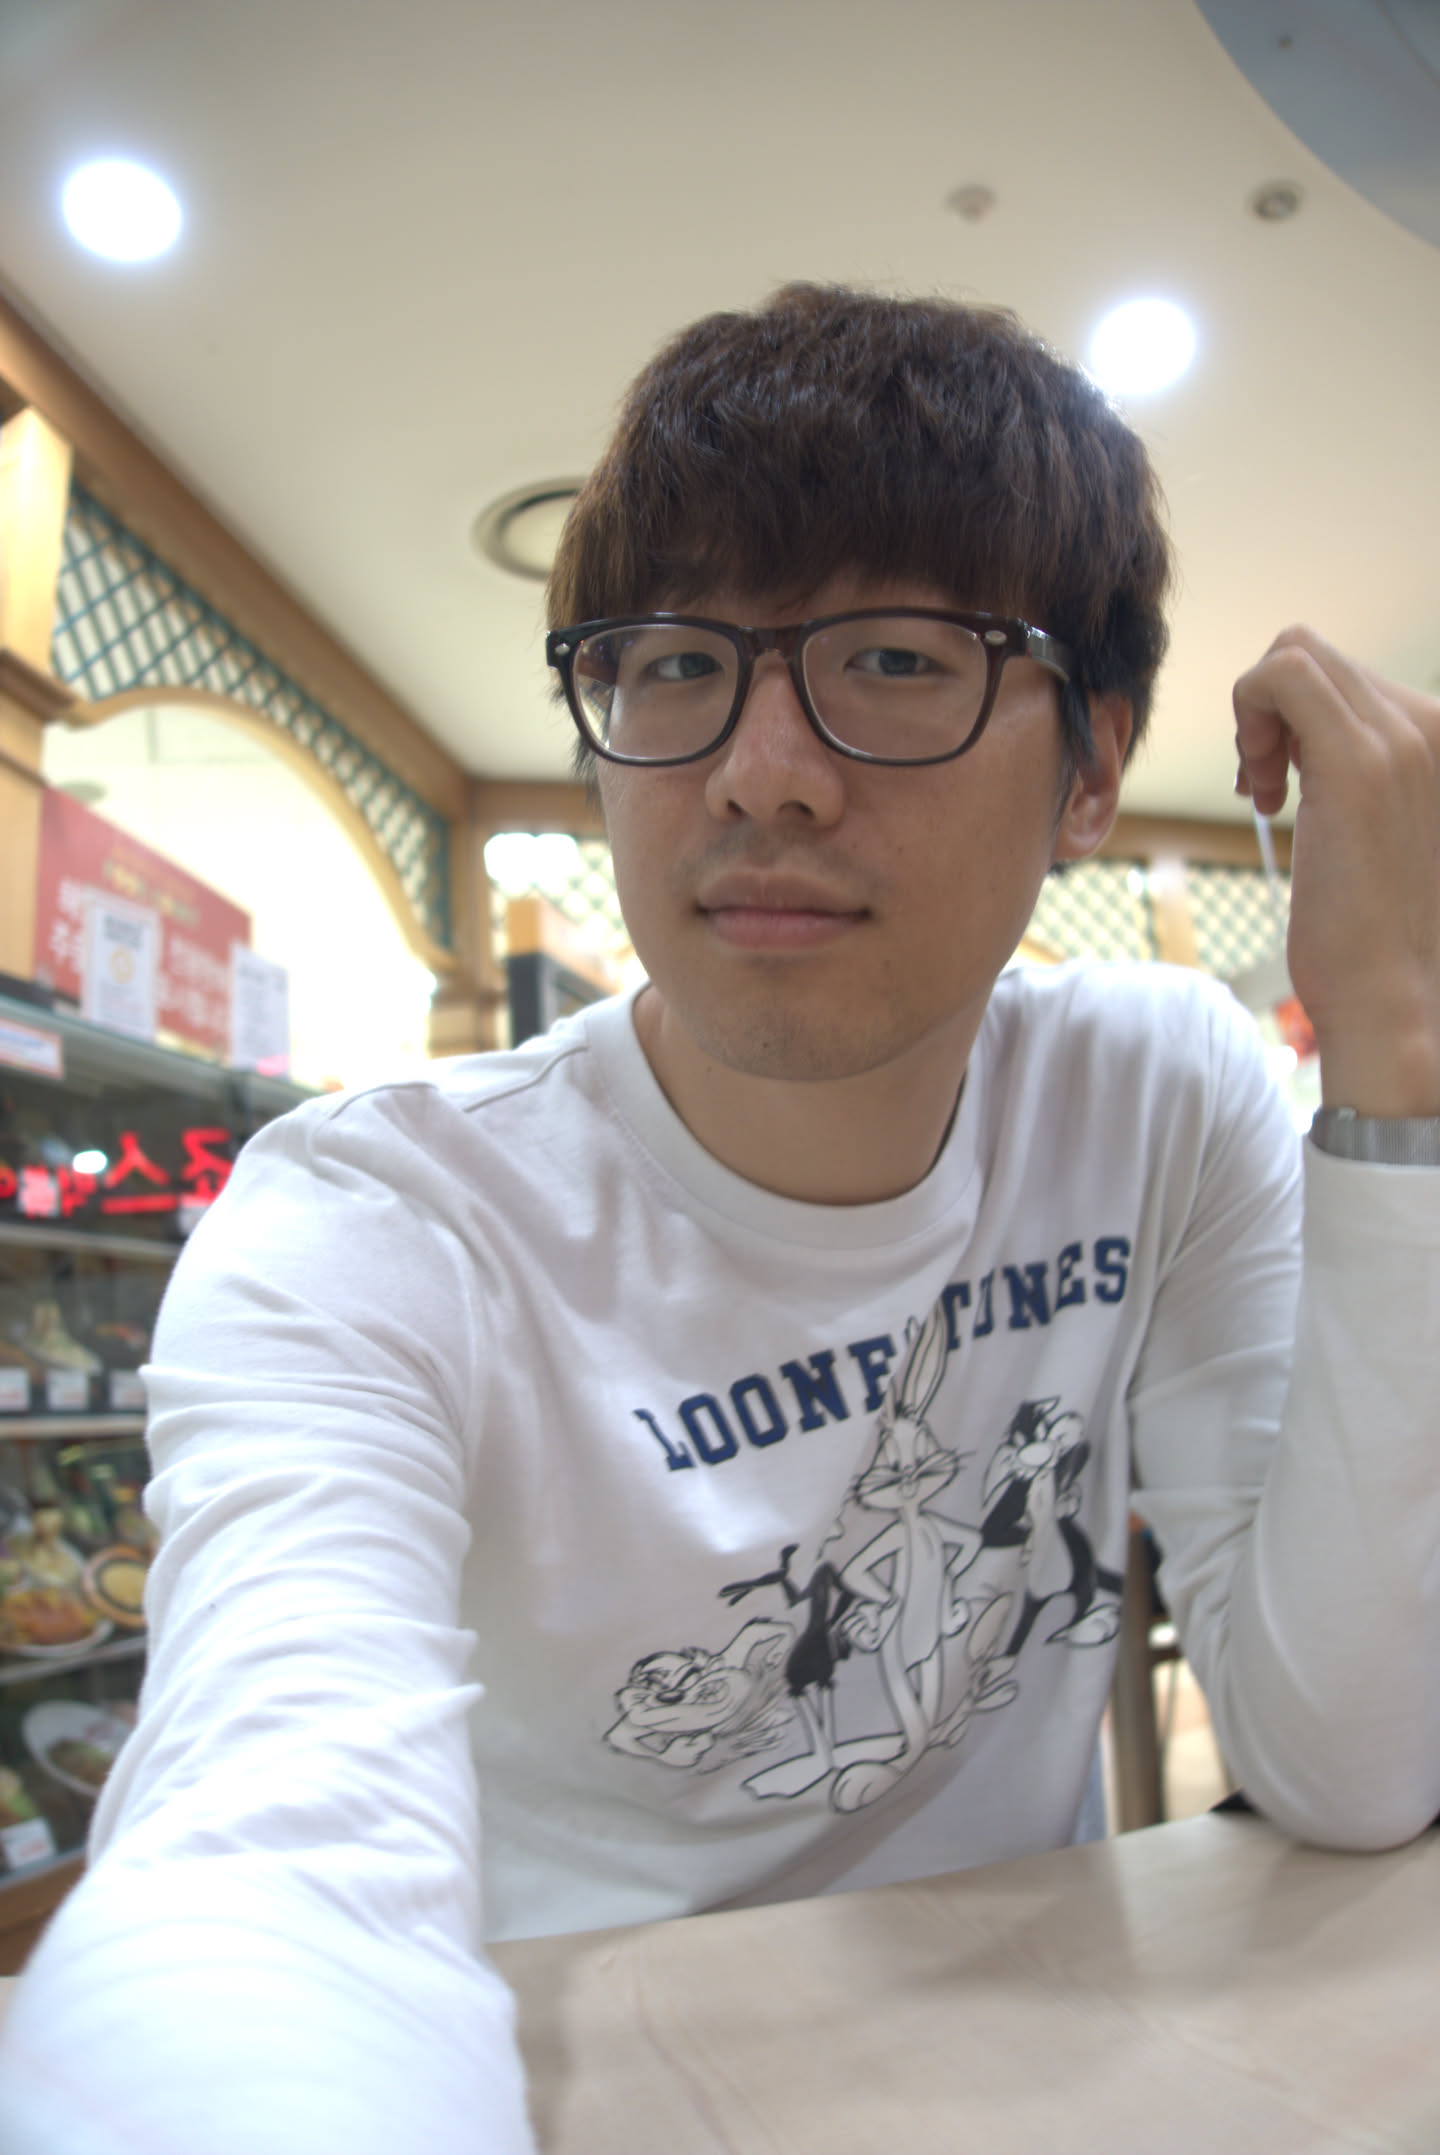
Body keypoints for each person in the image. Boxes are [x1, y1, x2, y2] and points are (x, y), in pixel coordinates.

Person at [1, 284, 1436, 2155]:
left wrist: (1399, 1059)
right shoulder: (383, 1217)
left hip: (1036, 2066)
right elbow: (266, 1858)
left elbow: (1351, 1764)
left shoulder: (1155, 1098)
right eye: (674, 662)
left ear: (1093, 769)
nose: (760, 769)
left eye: (898, 659)